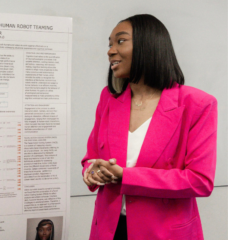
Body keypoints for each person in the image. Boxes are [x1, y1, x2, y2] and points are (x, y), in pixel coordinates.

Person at [81, 14, 217, 240]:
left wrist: (126, 176)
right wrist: (91, 171)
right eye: (110, 44)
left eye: (120, 41)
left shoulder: (198, 104)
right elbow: (91, 158)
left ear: (149, 45)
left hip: (163, 233)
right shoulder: (108, 98)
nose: (110, 50)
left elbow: (200, 181)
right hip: (108, 230)